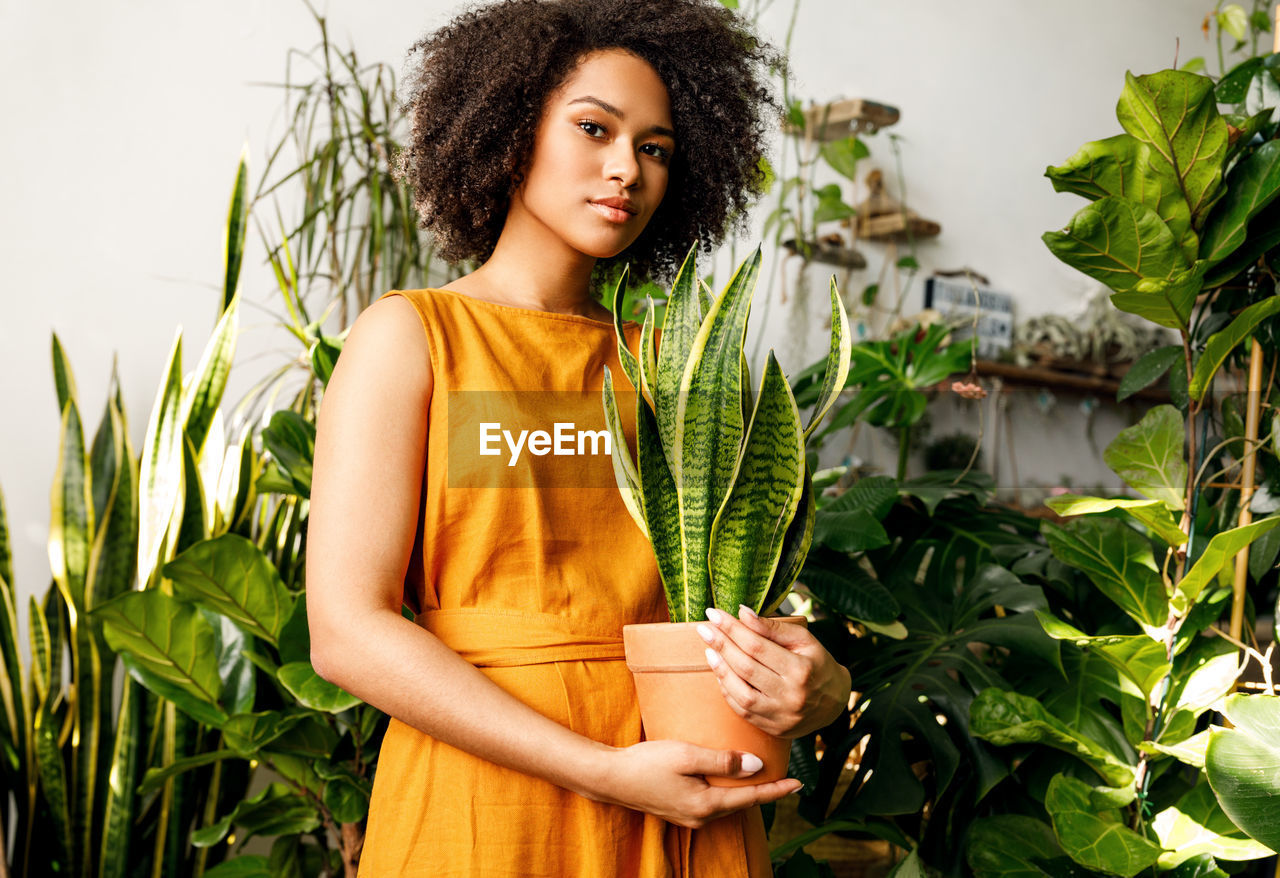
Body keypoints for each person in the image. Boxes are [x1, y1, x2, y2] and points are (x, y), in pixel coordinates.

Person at [305, 1, 853, 874]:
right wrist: (604, 774)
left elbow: (731, 609)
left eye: (656, 148)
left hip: (685, 799)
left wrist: (818, 690)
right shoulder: (413, 336)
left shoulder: (674, 368)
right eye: (594, 127)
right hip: (488, 802)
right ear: (510, 125)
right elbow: (344, 631)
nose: (624, 168)